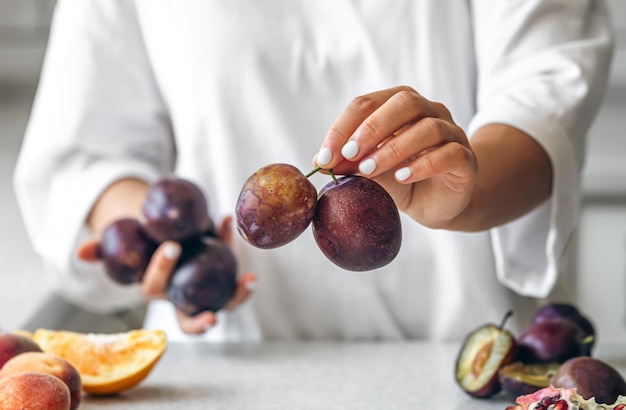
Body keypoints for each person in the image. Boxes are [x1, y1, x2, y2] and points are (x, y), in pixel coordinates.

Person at [14, 0, 614, 341]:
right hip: (233, 366)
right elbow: (88, 148)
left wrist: (466, 189)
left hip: (465, 358)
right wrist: (167, 243)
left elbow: (545, 100)